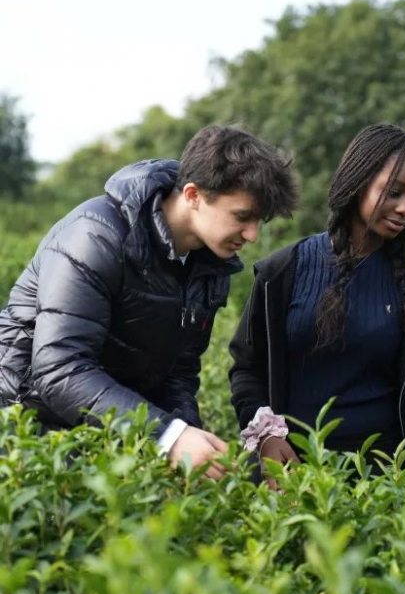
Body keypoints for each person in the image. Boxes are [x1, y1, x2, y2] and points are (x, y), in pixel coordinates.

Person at [0, 125, 297, 479]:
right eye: (242, 217)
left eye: (258, 221)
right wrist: (168, 436)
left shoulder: (209, 265)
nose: (252, 235)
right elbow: (59, 368)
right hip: (22, 424)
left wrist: (188, 443)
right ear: (193, 195)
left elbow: (179, 372)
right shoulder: (96, 236)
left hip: (103, 425)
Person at [229, 123, 405, 489]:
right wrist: (266, 437)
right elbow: (247, 370)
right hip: (290, 474)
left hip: (384, 481)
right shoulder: (284, 271)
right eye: (394, 192)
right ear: (357, 184)